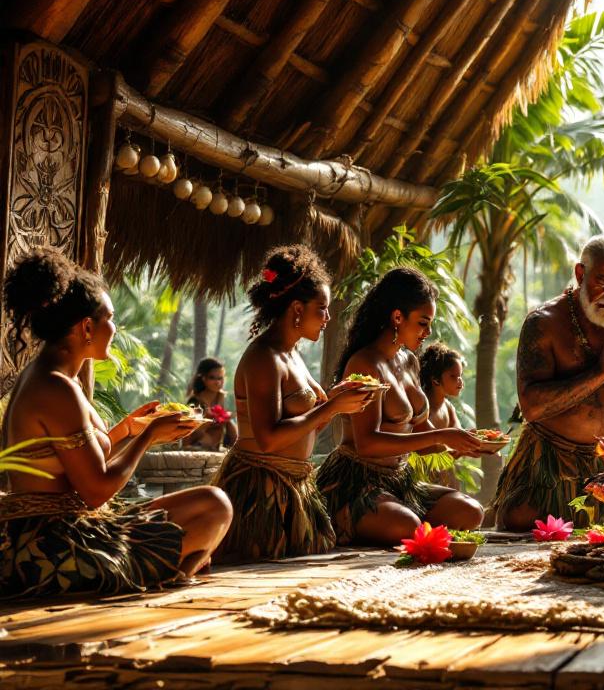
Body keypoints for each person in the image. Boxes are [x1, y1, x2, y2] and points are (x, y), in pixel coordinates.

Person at [0, 247, 231, 597]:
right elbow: (95, 491)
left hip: (70, 528)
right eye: (111, 318)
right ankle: (167, 572)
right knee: (214, 509)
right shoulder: (54, 387)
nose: (115, 328)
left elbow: (75, 465)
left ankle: (171, 569)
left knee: (211, 506)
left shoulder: (58, 379)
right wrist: (149, 437)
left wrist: (127, 430)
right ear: (87, 327)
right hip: (52, 548)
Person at [494, 234, 604, 531]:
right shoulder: (545, 322)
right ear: (580, 274)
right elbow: (531, 407)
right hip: (552, 456)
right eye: (603, 283)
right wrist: (599, 374)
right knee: (520, 520)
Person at [213, 246, 375, 561]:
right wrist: (331, 407)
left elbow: (312, 422)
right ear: (297, 309)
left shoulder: (293, 353)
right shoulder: (264, 357)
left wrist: (339, 399)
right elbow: (268, 438)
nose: (328, 318)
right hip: (261, 491)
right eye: (322, 308)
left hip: (295, 488)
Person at [317, 268, 486, 546]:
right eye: (422, 322)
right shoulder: (364, 363)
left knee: (471, 511)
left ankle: (391, 517)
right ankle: (348, 517)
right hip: (357, 482)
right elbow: (367, 444)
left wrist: (464, 444)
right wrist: (441, 436)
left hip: (400, 481)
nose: (428, 332)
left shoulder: (409, 362)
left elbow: (422, 431)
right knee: (408, 525)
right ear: (397, 317)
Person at [184, 357, 238, 450]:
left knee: (228, 423)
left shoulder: (222, 397)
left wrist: (224, 418)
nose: (218, 382)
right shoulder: (195, 401)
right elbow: (188, 432)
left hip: (216, 443)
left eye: (220, 378)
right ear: (203, 378)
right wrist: (208, 420)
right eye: (212, 378)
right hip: (194, 443)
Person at [420, 343, 467, 431]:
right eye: (453, 376)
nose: (460, 381)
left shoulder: (448, 408)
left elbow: (459, 437)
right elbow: (434, 443)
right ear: (436, 379)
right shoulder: (421, 406)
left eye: (460, 375)